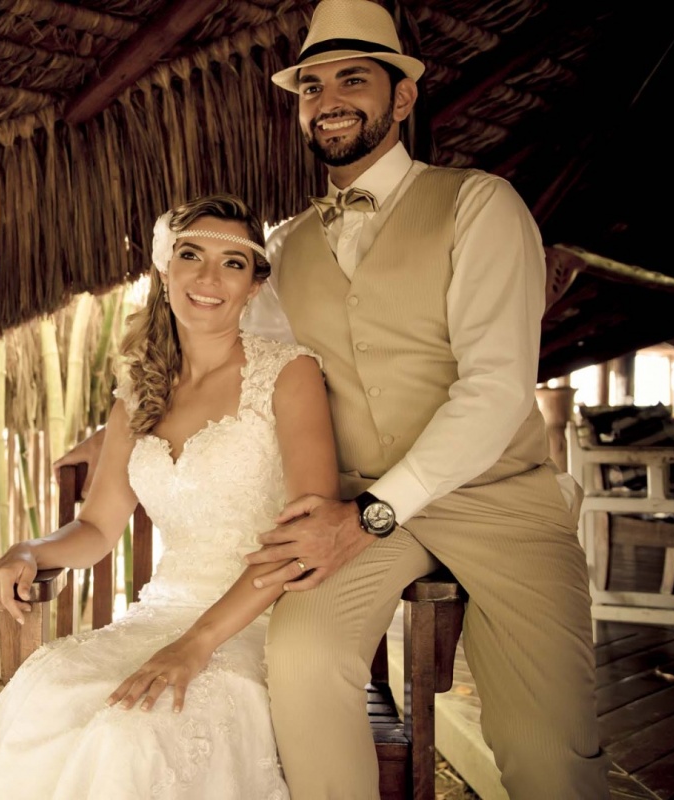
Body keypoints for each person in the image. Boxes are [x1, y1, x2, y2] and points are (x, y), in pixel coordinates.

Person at [55, 1, 609, 797]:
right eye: (312, 86)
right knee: (304, 664)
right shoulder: (282, 249)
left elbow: (493, 391)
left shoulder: (481, 205)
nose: (329, 99)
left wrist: (371, 514)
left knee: (546, 750)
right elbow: (228, 360)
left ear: (404, 98)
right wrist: (119, 428)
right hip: (352, 507)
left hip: (497, 496)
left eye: (354, 78)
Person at [0, 193, 335, 799]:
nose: (209, 278)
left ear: (254, 287)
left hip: (261, 621)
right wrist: (30, 551)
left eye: (234, 263)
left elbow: (306, 538)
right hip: (160, 613)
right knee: (43, 699)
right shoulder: (137, 393)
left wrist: (194, 647)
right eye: (191, 255)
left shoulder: (288, 374)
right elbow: (96, 530)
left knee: (130, 737)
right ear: (166, 273)